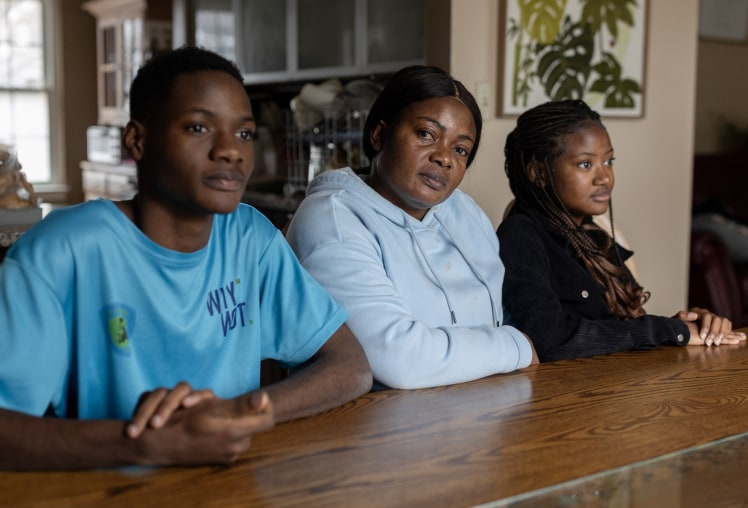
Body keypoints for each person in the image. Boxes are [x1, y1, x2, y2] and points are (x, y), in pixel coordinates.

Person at [0, 46, 372, 470]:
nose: (231, 150)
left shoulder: (252, 238)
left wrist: (241, 412)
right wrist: (146, 445)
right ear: (137, 140)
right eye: (199, 127)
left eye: (245, 133)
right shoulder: (62, 250)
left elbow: (350, 365)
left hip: (229, 487)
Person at [286, 65, 538, 390]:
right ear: (380, 135)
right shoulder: (332, 218)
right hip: (367, 426)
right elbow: (398, 359)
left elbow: (501, 315)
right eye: (426, 134)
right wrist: (515, 347)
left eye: (460, 149)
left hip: (475, 410)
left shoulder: (464, 211)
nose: (444, 158)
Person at [497, 99, 747, 362]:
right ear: (538, 173)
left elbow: (622, 327)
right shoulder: (519, 237)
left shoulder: (594, 235)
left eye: (609, 161)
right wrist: (669, 330)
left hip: (619, 385)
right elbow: (548, 339)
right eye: (585, 164)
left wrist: (688, 325)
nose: (604, 177)